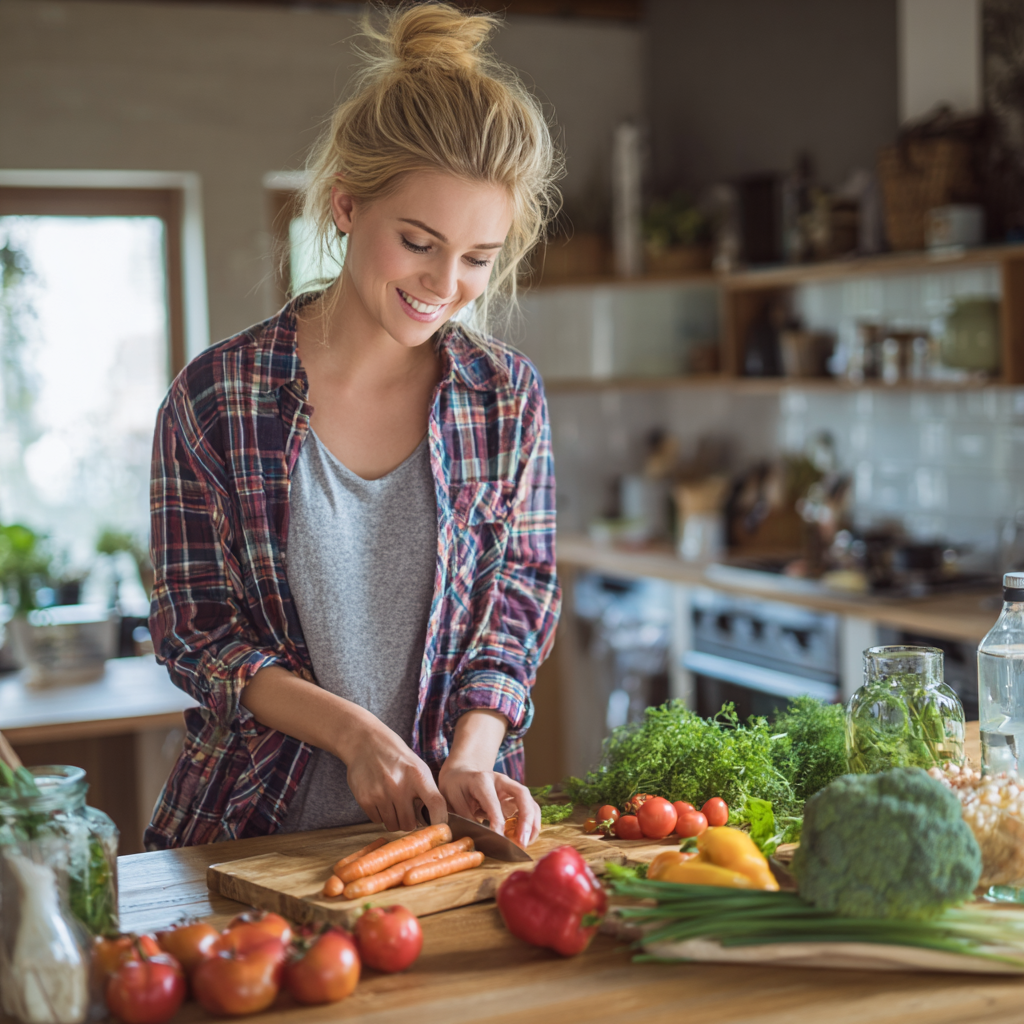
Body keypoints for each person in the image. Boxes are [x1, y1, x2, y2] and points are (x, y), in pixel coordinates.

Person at [145, 3, 561, 851]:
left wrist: (476, 749)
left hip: (442, 847)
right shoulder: (218, 396)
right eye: (418, 242)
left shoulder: (505, 397)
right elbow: (195, 630)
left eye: (479, 258)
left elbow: (518, 600)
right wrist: (356, 735)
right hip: (245, 836)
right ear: (343, 208)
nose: (446, 283)